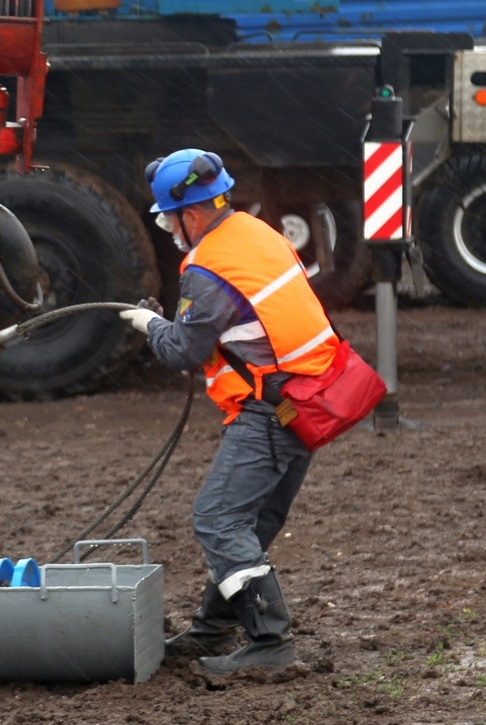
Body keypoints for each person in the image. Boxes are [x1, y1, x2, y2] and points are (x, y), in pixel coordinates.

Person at [119, 149, 339, 677]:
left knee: (217, 517)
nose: (169, 229)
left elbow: (183, 352)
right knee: (254, 520)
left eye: (168, 219)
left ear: (189, 215)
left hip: (271, 408)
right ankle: (214, 628)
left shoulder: (208, 266)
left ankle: (269, 643)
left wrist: (148, 327)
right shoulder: (256, 232)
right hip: (311, 399)